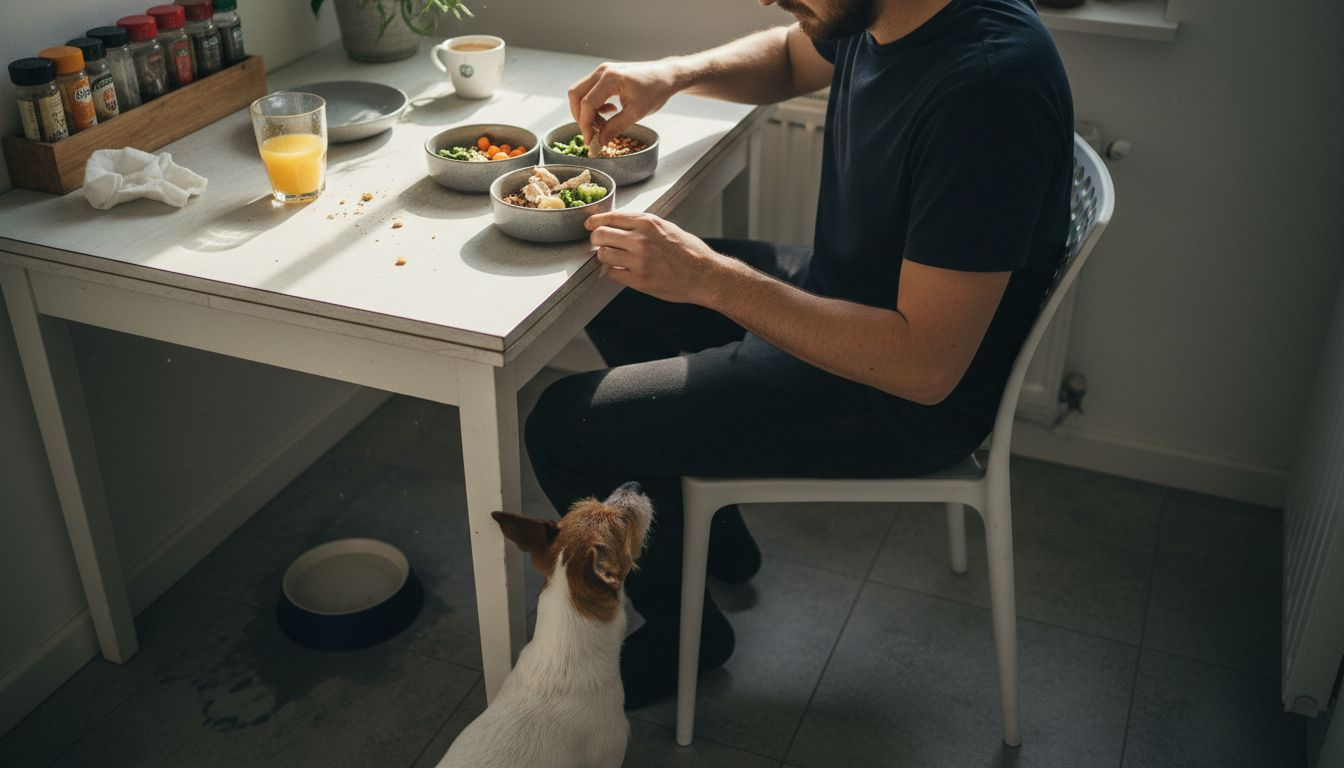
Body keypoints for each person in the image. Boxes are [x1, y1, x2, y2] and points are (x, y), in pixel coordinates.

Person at [525, 0, 1074, 709]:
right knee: (616, 287)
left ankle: (687, 636)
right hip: (847, 296)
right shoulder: (881, 12)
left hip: (899, 393)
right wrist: (670, 74)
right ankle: (717, 537)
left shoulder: (987, 93)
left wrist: (712, 280)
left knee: (565, 427)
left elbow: (925, 368)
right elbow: (791, 56)